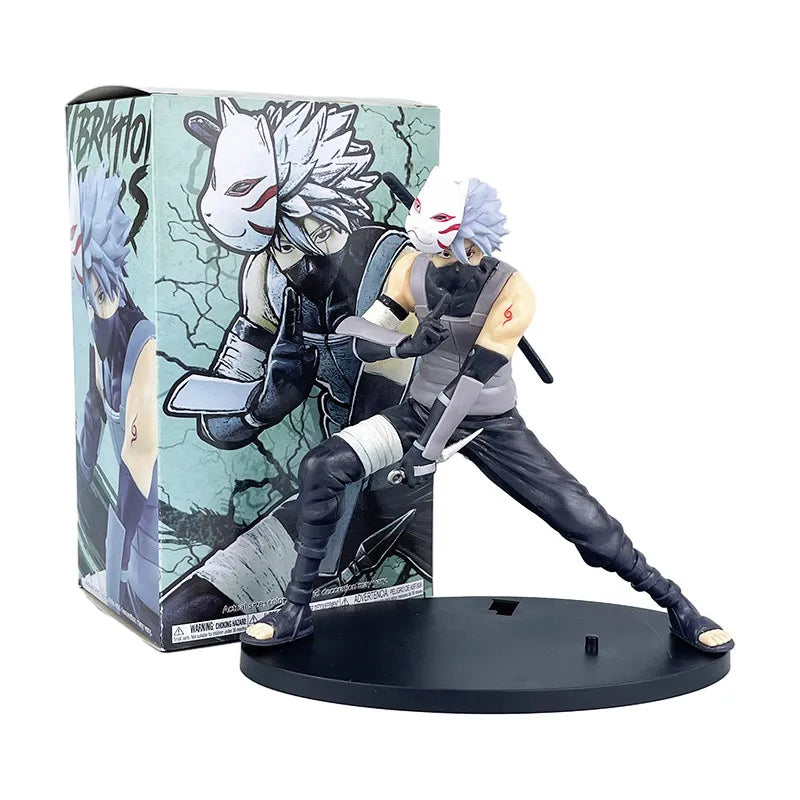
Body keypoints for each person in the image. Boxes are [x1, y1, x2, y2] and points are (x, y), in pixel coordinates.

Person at [243, 168, 734, 654]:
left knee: (584, 520)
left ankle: (676, 603)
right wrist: (405, 344)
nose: (436, 263)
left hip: (490, 425)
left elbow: (471, 380)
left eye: (445, 251)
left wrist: (426, 452)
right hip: (419, 411)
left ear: (473, 245)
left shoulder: (513, 292)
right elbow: (356, 333)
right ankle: (296, 609)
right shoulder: (412, 268)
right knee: (322, 466)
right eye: (432, 252)